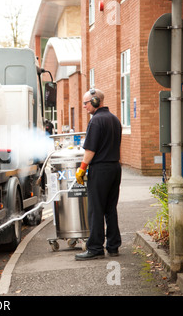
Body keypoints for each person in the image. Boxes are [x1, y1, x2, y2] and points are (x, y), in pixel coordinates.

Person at [75, 88, 122, 260]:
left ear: (95, 101)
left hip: (100, 169)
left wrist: (82, 168)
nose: (84, 107)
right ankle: (113, 246)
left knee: (95, 209)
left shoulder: (96, 121)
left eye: (86, 103)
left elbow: (90, 149)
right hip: (115, 168)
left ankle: (95, 248)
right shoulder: (114, 119)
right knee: (110, 208)